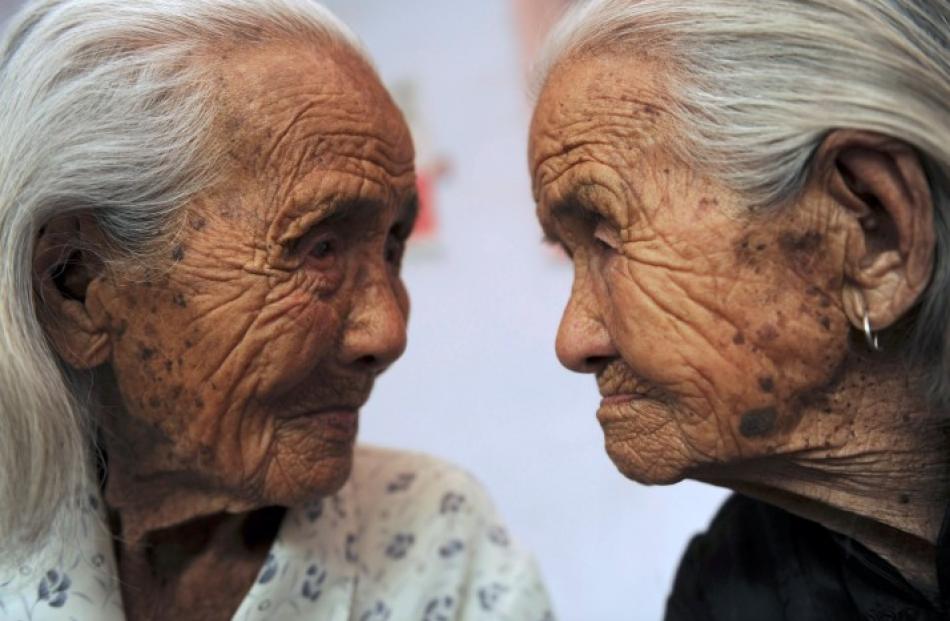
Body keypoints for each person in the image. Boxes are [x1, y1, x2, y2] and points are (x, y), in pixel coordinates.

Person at [0, 1, 553, 619]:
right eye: (320, 248)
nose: (389, 331)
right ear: (76, 283)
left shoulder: (438, 539)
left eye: (394, 247)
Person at [528, 0, 949, 619]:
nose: (574, 340)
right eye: (569, 256)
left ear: (869, 230)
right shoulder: (727, 592)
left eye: (609, 240)